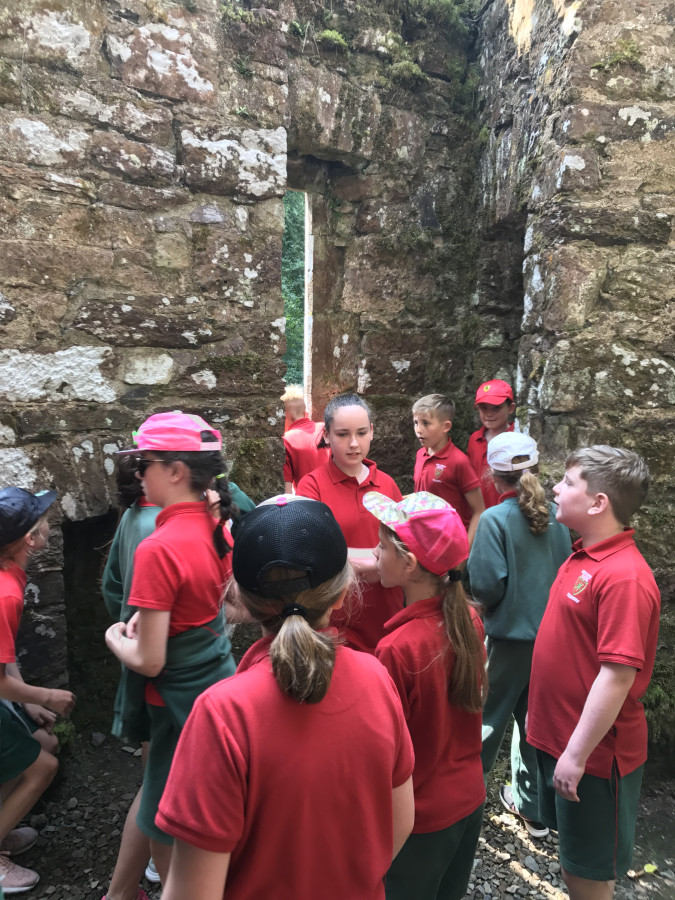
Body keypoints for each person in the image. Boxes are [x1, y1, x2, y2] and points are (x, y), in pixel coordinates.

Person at [156, 495, 415, 900]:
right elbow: (401, 822)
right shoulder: (377, 678)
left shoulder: (222, 714)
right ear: (342, 594)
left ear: (242, 599)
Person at [104, 411, 237, 888]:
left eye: (145, 464)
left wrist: (115, 637)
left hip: (173, 699)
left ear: (176, 471)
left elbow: (151, 660)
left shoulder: (157, 548)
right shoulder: (215, 525)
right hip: (218, 680)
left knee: (161, 808)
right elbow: (214, 606)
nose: (138, 474)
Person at [527, 446, 660, 900]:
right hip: (560, 739)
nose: (554, 488)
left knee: (586, 873)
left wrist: (576, 754)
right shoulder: (583, 555)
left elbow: (617, 676)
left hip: (594, 756)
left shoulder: (624, 577)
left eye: (568, 483)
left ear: (599, 503)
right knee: (575, 862)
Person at [366, 491, 487, 900]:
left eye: (382, 547)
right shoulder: (469, 618)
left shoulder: (397, 648)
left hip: (420, 817)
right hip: (467, 799)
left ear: (409, 564)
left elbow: (385, 752)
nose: (374, 553)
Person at [467, 433, 571, 839]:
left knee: (484, 721)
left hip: (508, 642)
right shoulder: (557, 515)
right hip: (552, 642)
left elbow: (487, 585)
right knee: (535, 725)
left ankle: (464, 802)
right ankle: (533, 808)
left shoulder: (495, 520)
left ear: (493, 475)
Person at [0, 487, 76, 894]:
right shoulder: (6, 593)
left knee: (44, 744)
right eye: (44, 519)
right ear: (31, 538)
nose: (50, 521)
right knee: (43, 766)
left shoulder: (8, 575)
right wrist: (45, 696)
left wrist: (26, 702)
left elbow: (2, 653)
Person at [296, 393, 404, 652]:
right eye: (343, 434)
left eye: (361, 433)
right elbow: (309, 549)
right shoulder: (312, 486)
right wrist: (367, 564)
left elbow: (405, 541)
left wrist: (381, 565)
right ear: (326, 435)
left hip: (387, 611)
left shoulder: (387, 484)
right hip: (336, 614)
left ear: (372, 432)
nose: (354, 443)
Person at [101, 456, 160, 900]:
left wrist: (123, 622)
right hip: (163, 666)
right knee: (160, 781)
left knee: (152, 767)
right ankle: (147, 868)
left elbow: (111, 585)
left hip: (136, 654)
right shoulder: (165, 527)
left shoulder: (130, 517)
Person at [412, 394, 484, 547]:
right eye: (416, 422)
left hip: (451, 546)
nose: (418, 430)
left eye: (426, 423)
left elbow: (479, 510)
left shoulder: (459, 462)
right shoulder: (420, 455)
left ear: (446, 427)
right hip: (424, 543)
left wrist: (465, 551)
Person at [467, 379, 516, 509]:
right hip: (479, 512)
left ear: (510, 408)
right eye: (484, 408)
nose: (489, 414)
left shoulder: (518, 440)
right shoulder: (475, 439)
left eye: (496, 408)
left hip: (506, 512)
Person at [280, 384, 329, 492]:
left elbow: (287, 491)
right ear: (305, 412)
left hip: (307, 498)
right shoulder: (325, 429)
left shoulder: (286, 440)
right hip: (335, 496)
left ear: (284, 417)